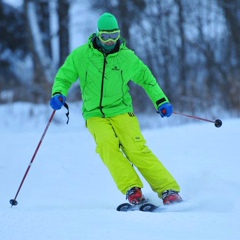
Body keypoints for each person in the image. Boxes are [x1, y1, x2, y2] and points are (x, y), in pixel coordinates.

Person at [50, 12, 183, 205]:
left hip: (121, 110)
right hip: (95, 114)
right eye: (106, 36)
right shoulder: (81, 56)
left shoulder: (127, 57)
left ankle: (168, 189)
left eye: (115, 35)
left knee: (135, 148)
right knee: (106, 145)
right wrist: (58, 93)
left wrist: (161, 101)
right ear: (98, 35)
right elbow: (64, 76)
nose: (111, 40)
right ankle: (132, 189)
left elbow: (146, 79)